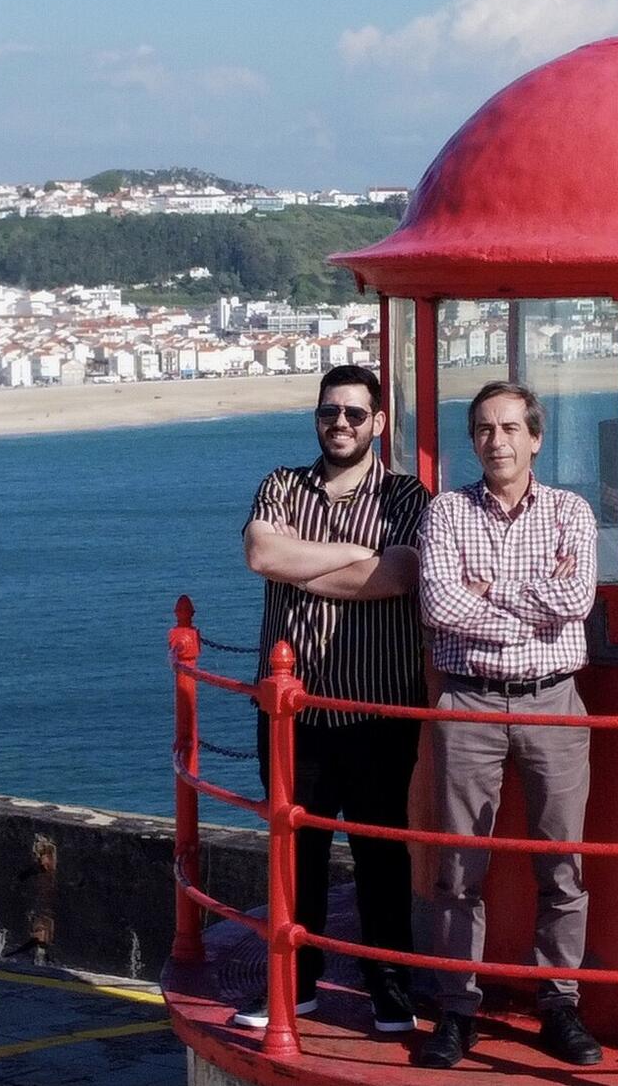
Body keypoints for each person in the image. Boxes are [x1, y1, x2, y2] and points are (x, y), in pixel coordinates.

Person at [411, 382, 604, 1070]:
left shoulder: (570, 512)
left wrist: (488, 591)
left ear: (536, 437)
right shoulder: (446, 512)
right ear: (474, 440)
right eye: (486, 429)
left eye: (511, 427)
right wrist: (529, 609)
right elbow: (439, 603)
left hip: (553, 699)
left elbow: (577, 598)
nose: (498, 440)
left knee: (564, 862)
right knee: (459, 866)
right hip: (469, 702)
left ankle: (560, 1002)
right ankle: (456, 1008)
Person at [232, 364, 427, 1038]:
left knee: (381, 854)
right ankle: (296, 980)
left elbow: (398, 574)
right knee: (296, 851)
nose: (338, 423)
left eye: (352, 413)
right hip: (293, 714)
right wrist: (354, 557)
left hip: (378, 712)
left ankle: (390, 989)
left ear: (378, 422)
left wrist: (309, 561)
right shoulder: (281, 484)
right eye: (328, 412)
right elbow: (261, 552)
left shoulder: (406, 494)